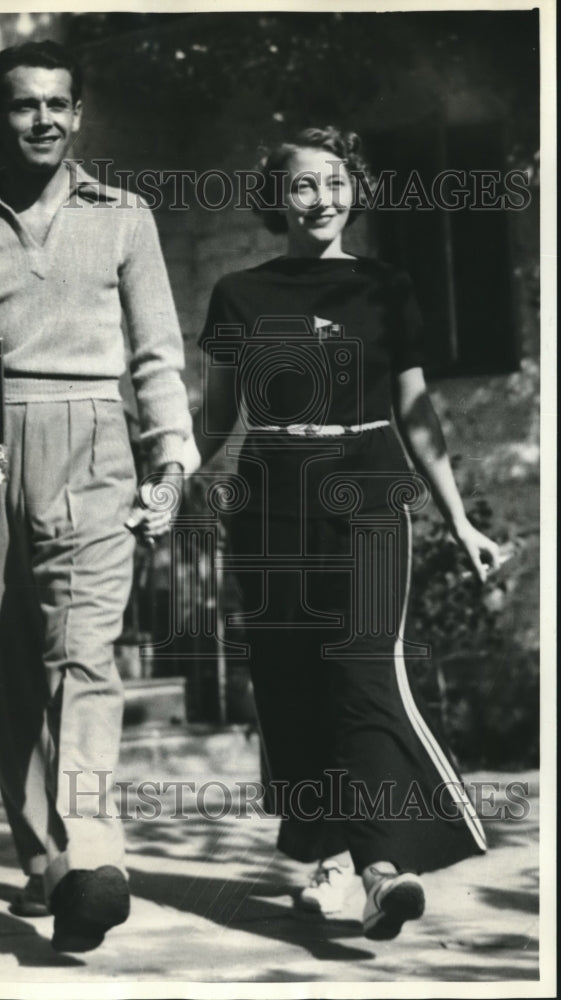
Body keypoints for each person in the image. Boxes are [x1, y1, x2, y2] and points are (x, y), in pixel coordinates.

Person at [0, 40, 196, 953]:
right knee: (9, 659)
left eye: (59, 104)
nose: (44, 120)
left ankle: (94, 852)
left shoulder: (124, 216)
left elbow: (156, 357)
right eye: (24, 105)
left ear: (79, 113)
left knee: (86, 651)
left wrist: (170, 463)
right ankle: (43, 859)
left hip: (95, 438)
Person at [195, 126, 503, 940]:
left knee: (365, 674)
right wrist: (178, 484)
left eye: (336, 182)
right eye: (303, 185)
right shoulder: (239, 293)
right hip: (269, 501)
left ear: (355, 191)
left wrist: (459, 517)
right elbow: (217, 415)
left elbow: (414, 409)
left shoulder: (385, 287)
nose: (322, 199)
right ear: (277, 197)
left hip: (366, 491)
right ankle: (328, 857)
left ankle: (378, 870)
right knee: (292, 685)